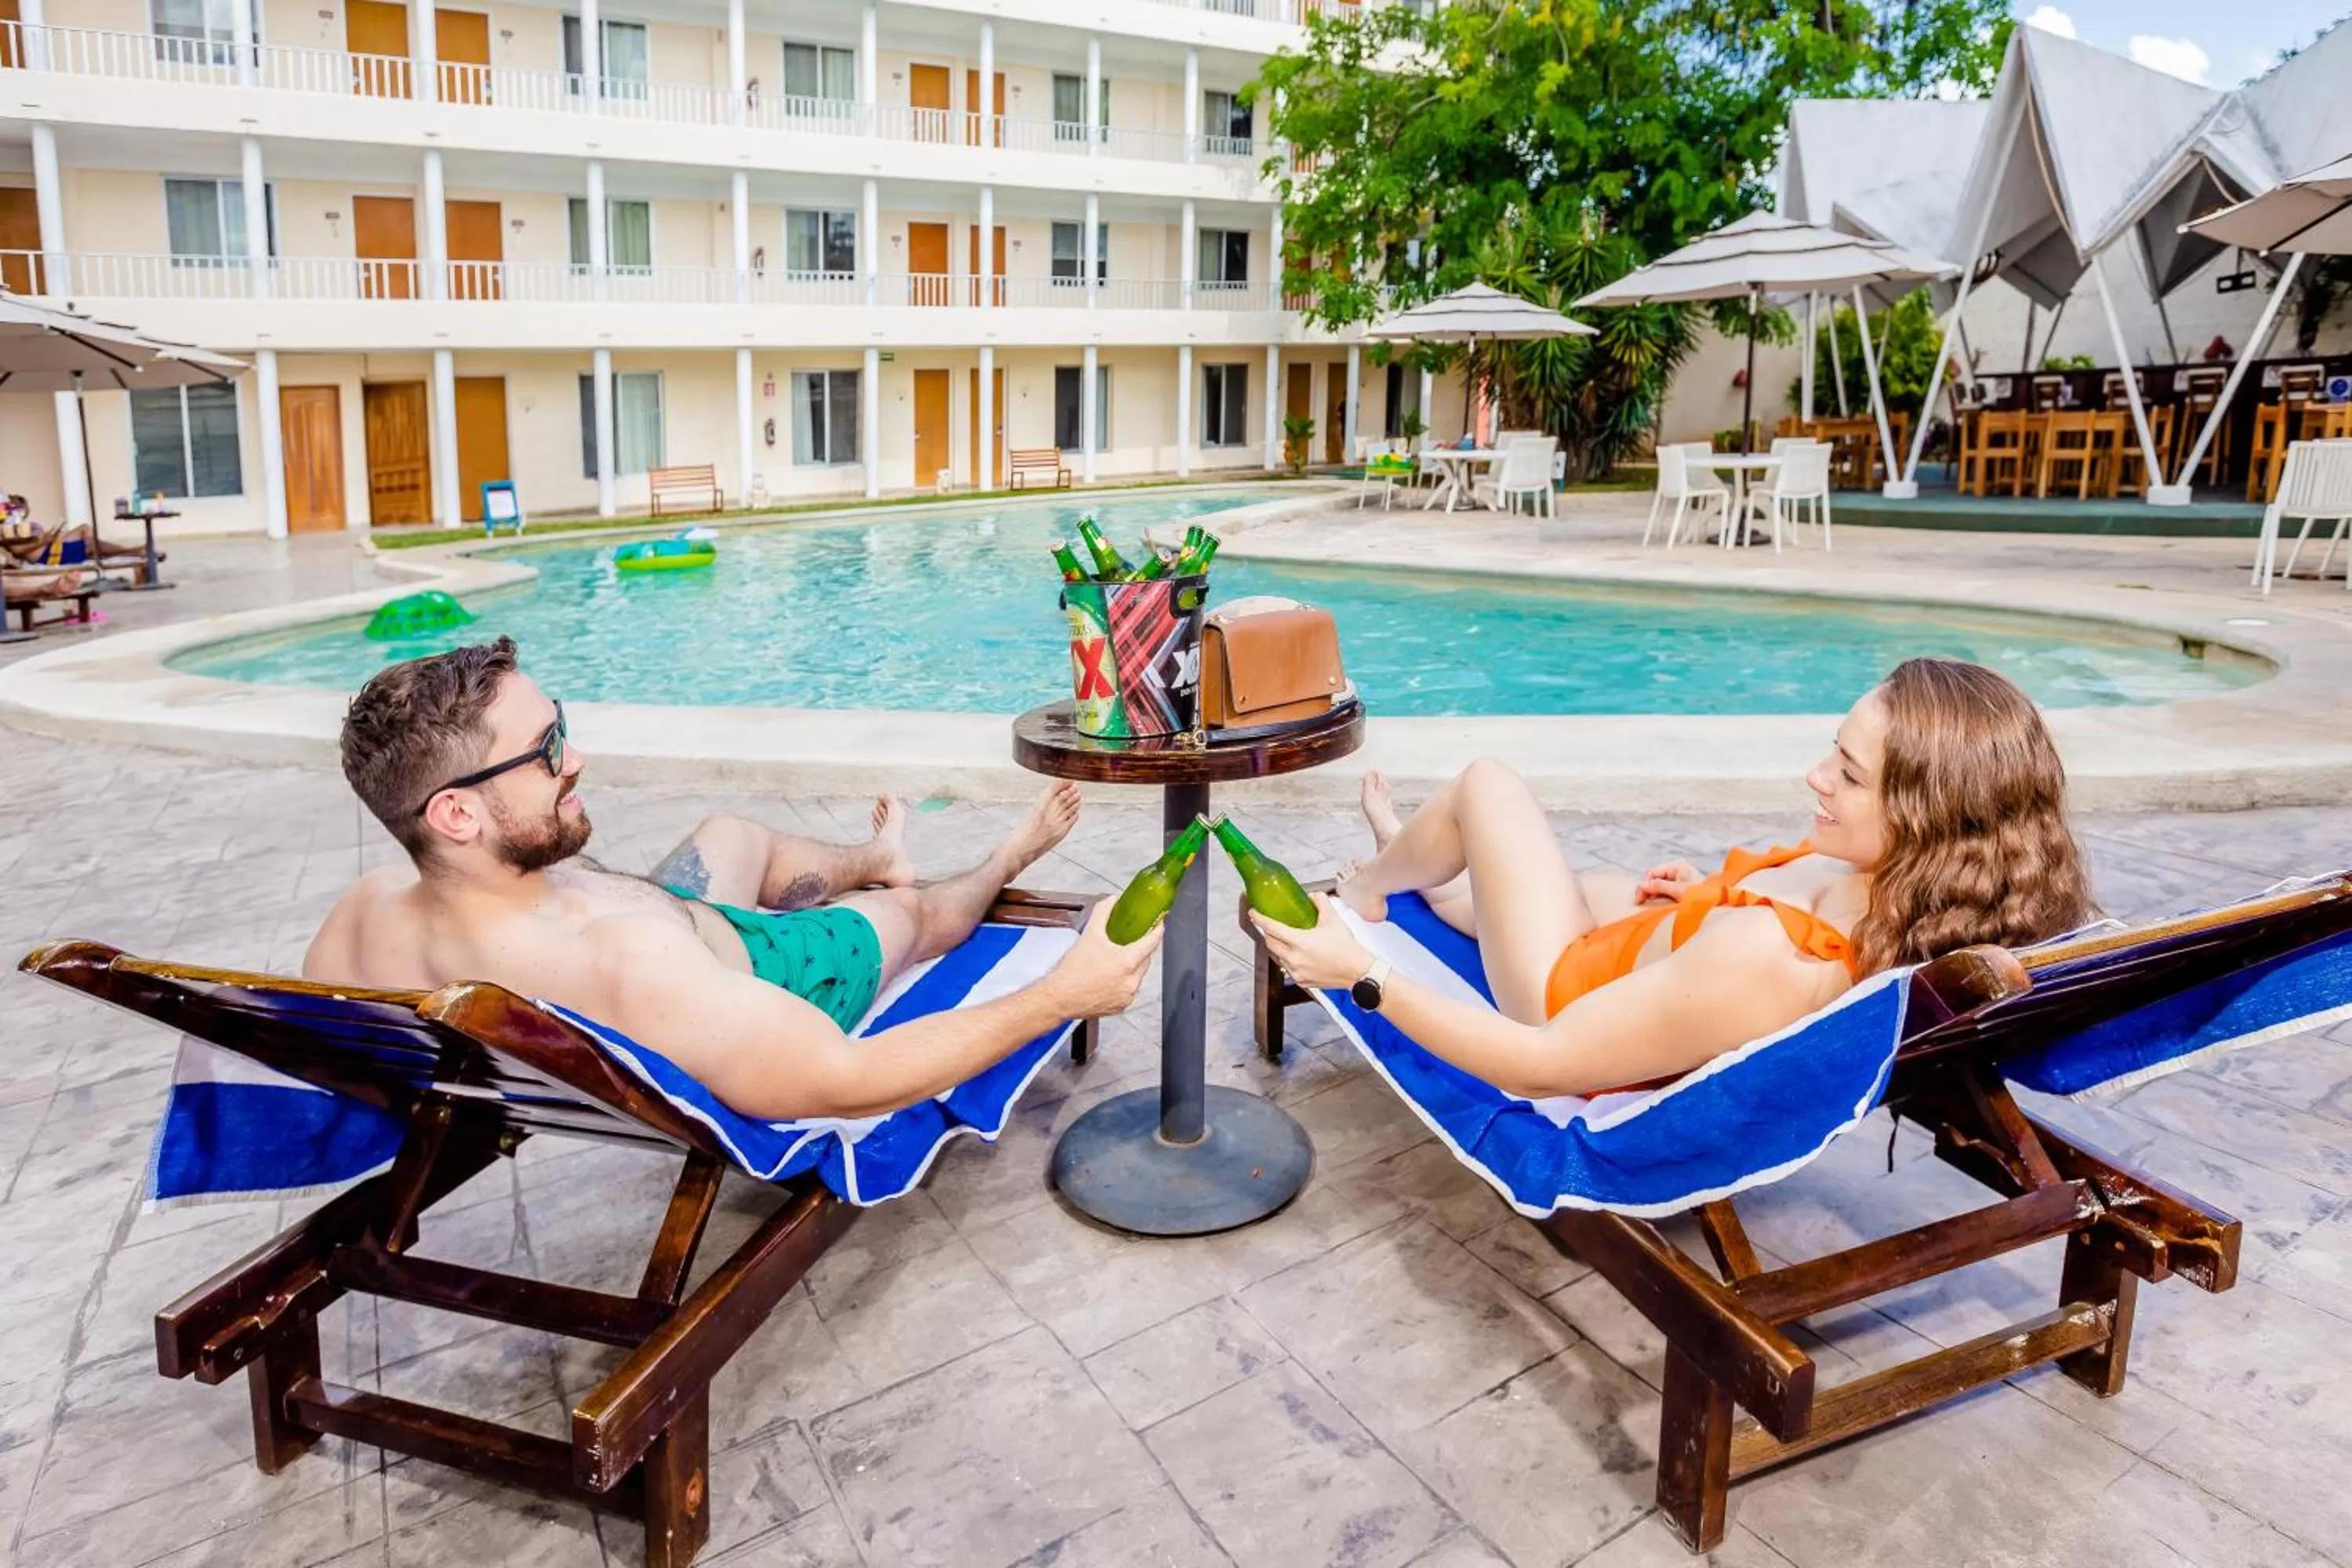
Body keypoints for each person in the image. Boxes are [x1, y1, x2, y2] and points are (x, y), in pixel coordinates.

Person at [306, 637, 1160, 1121]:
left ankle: (875, 852)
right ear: (457, 815)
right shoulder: (631, 966)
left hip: (679, 919)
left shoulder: (368, 913)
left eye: (561, 726)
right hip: (771, 964)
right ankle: (990, 857)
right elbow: (844, 1079)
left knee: (731, 833)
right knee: (914, 910)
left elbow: (316, 1069)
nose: (577, 758)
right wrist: (1061, 993)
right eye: (546, 750)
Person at [1252, 658, 2096, 1100]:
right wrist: (1707, 901)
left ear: (1926, 815)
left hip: (1559, 995)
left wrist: (1361, 973)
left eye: (1847, 770)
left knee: (1486, 787)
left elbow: (1539, 1065)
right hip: (1643, 946)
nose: (1815, 777)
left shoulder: (1781, 960)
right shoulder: (1918, 898)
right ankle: (1430, 879)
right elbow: (1736, 953)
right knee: (1582, 880)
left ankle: (1376, 890)